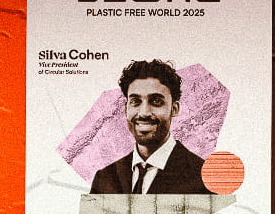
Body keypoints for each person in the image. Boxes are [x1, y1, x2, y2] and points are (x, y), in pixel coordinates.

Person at [87, 60, 210, 194]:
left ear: (174, 109)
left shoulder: (205, 179)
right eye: (135, 101)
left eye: (156, 101)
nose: (144, 112)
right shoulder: (104, 178)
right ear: (126, 109)